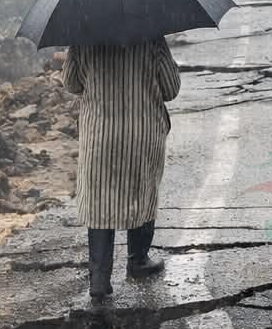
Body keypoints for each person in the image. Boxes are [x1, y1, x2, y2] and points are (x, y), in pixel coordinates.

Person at [62, 37, 182, 301]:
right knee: (142, 191)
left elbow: (71, 83)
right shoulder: (150, 36)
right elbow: (171, 89)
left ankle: (99, 279)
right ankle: (138, 260)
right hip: (142, 131)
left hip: (100, 134)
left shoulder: (84, 36)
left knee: (99, 202)